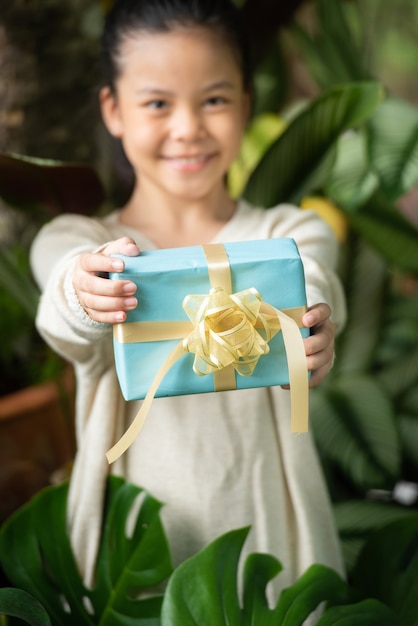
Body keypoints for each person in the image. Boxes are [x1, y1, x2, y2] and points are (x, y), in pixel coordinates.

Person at [30, 0, 346, 607]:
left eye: (214, 99)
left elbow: (310, 279)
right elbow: (63, 300)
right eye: (157, 103)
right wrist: (83, 294)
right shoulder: (82, 242)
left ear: (246, 106)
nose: (187, 128)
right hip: (133, 536)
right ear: (113, 110)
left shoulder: (288, 230)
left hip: (270, 528)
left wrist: (308, 330)